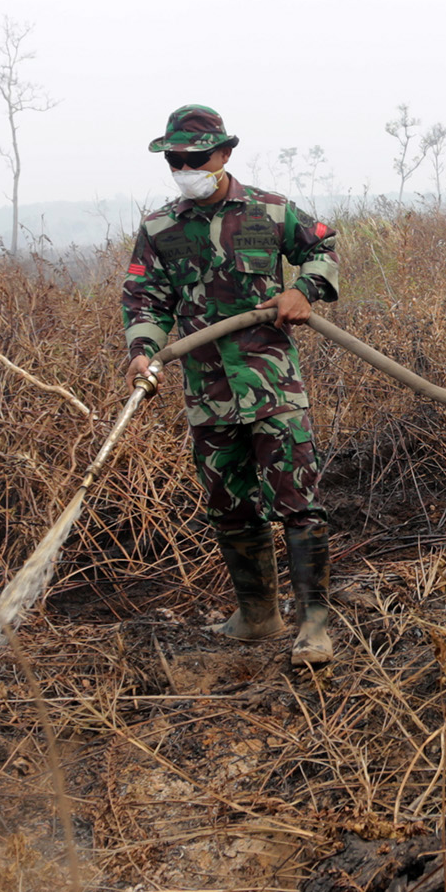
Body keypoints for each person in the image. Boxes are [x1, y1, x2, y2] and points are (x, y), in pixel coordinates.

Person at [121, 106, 344, 663]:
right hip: (207, 392)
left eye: (196, 158)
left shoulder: (270, 212)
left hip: (273, 386)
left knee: (298, 500)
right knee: (230, 505)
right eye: (176, 160)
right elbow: (145, 301)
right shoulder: (159, 230)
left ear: (223, 155)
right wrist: (143, 351)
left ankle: (314, 625)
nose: (185, 167)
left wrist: (304, 291)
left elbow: (321, 248)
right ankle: (257, 615)